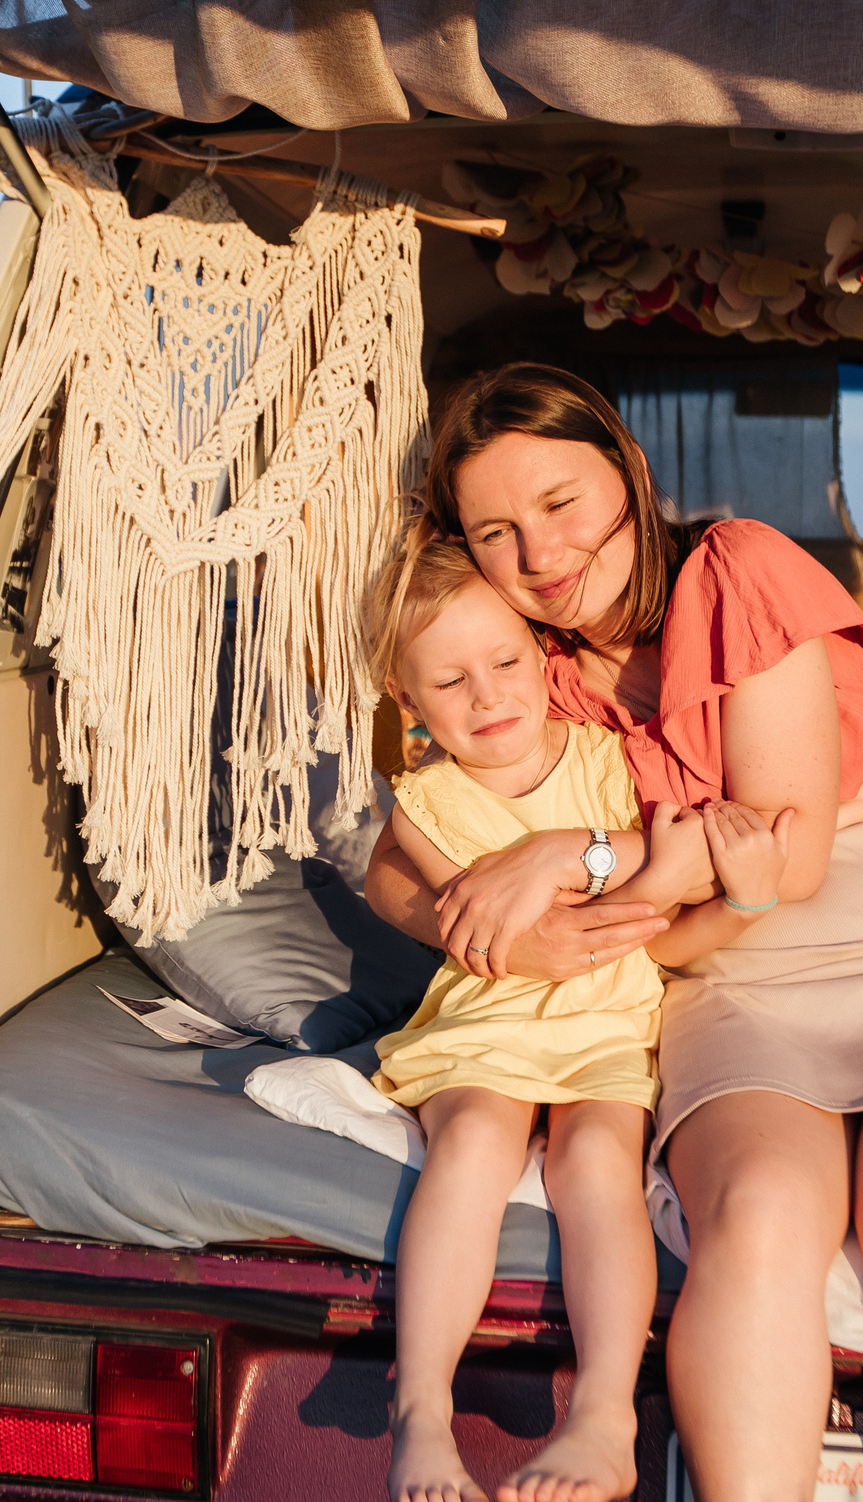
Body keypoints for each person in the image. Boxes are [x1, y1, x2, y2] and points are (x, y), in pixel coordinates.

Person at [364, 365, 863, 1502]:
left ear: (630, 474)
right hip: (723, 984)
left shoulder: (738, 568)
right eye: (496, 531)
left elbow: (788, 852)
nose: (542, 555)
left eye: (562, 504)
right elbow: (389, 865)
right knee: (756, 1220)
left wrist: (569, 855)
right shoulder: (527, 668)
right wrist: (493, 935)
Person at [362, 526, 791, 1502]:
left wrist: (605, 862)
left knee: (596, 1160)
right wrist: (619, 865)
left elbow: (665, 883)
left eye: (505, 662)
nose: (487, 697)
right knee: (472, 1140)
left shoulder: (606, 758)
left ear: (541, 656)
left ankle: (603, 1415)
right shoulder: (424, 805)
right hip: (491, 1019)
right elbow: (583, 904)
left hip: (606, 1022)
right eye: (449, 682)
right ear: (408, 701)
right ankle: (421, 1411)